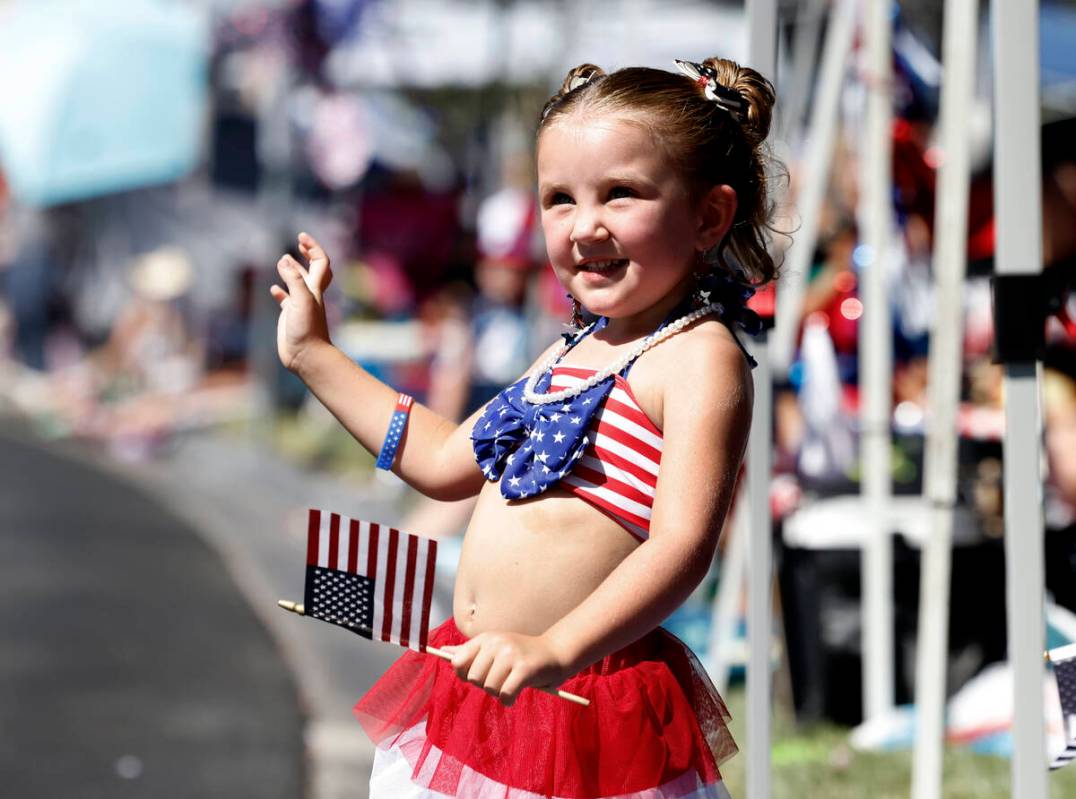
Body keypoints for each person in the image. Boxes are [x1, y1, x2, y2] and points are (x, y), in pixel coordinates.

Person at [270, 56, 778, 799]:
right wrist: (312, 354)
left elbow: (682, 546)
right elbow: (444, 458)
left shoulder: (698, 357)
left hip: (577, 701)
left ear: (708, 215)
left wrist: (556, 647)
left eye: (621, 194)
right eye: (559, 199)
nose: (585, 225)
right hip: (478, 681)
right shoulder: (567, 349)